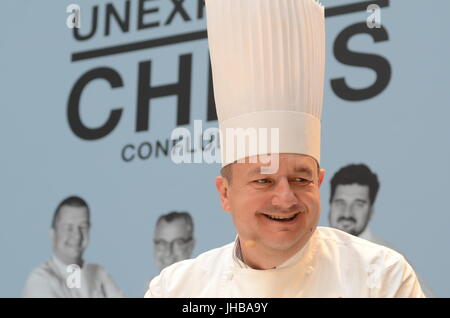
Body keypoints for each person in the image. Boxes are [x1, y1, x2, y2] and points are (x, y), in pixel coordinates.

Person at [145, 0, 424, 297]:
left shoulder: (380, 275)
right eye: (263, 180)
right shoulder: (177, 289)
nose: (286, 198)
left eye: (300, 179)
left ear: (319, 183)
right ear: (225, 193)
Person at [328, 163, 436, 297]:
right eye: (340, 202)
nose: (347, 213)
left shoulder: (390, 261)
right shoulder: (311, 250)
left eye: (359, 204)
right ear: (330, 204)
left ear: (371, 210)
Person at [23, 196, 125, 298]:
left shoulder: (98, 273)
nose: (77, 235)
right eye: (69, 227)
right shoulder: (39, 280)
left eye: (82, 227)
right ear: (52, 233)